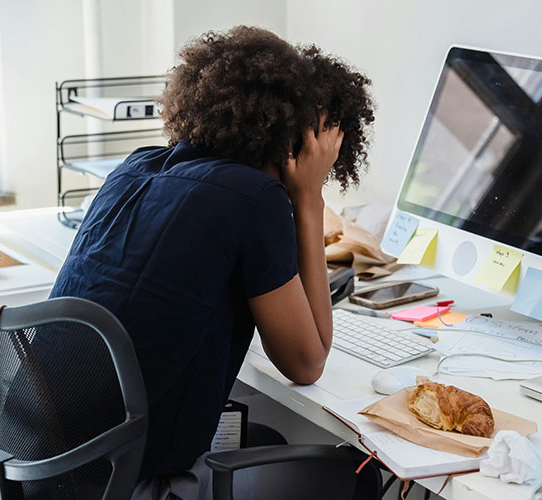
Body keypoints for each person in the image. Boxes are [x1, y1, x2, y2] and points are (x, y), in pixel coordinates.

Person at [50, 25, 374, 499]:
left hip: (49, 460)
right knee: (356, 476)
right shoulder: (254, 199)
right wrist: (308, 197)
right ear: (294, 144)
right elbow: (307, 363)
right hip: (128, 483)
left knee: (266, 439)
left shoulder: (136, 166)